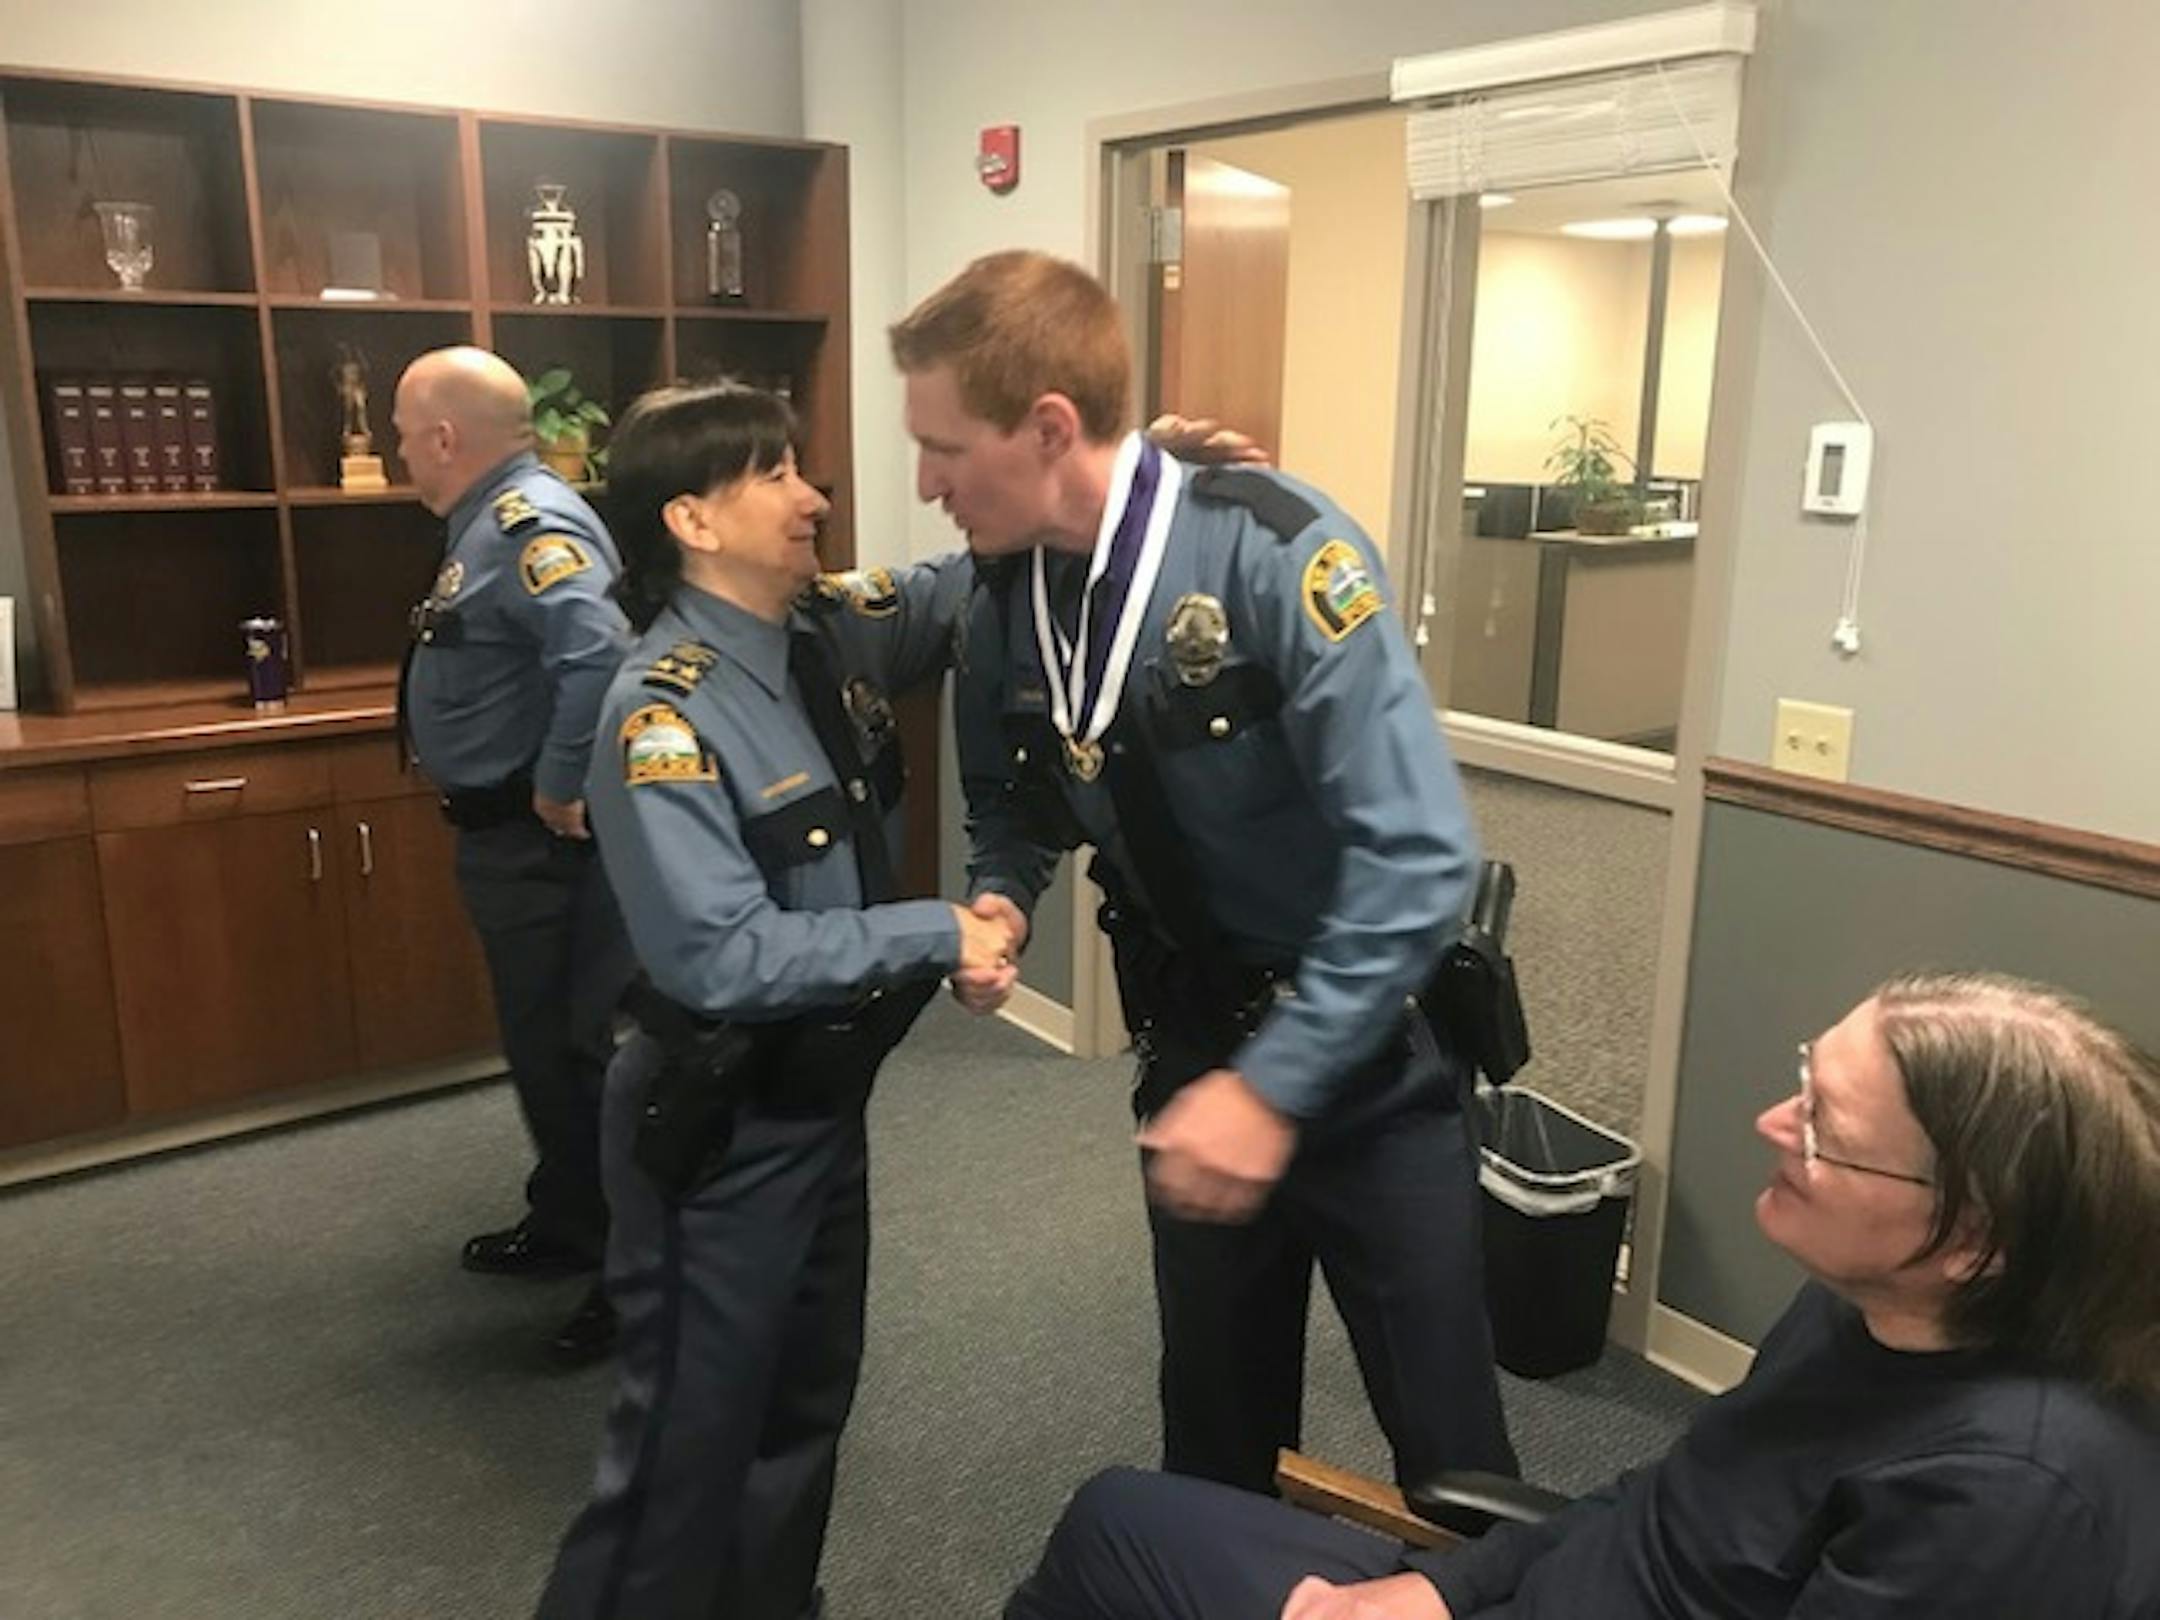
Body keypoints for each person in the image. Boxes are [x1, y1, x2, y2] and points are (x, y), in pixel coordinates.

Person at [891, 250, 1517, 1496]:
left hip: (1360, 1061)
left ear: (1049, 427)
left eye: (944, 448)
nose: (926, 482)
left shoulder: (1278, 552)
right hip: (1187, 1052)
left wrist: (1273, 1087)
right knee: (1216, 1435)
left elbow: (1420, 855)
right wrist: (1004, 891)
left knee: (1448, 1453)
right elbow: (1017, 794)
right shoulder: (1006, 597)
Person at [1004, 971, 2160, 1620]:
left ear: (1968, 1238)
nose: (1772, 1125)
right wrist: (1443, 1597)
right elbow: (1667, 1501)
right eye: (1808, 1083)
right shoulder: (1868, 1306)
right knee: (1122, 1511)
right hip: (1530, 1598)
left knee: (1116, 1552)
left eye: (1824, 1131)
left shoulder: (2012, 1495)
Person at [532, 381, 1015, 1620]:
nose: (815, 497)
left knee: (803, 1414)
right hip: (719, 1131)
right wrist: (935, 929)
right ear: (692, 519)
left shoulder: (824, 631)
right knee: (680, 1462)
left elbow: (965, 583)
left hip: (822, 1107)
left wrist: (1122, 475)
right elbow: (721, 957)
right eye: (778, 477)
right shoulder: (663, 713)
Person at [394, 345, 635, 1367]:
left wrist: (559, 781)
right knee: (547, 1052)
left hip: (539, 845)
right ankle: (572, 1218)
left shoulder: (529, 524)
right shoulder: (489, 522)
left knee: (575, 1057)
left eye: (403, 433)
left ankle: (631, 1274)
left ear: (445, 436)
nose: (397, 451)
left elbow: (597, 652)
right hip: (509, 846)